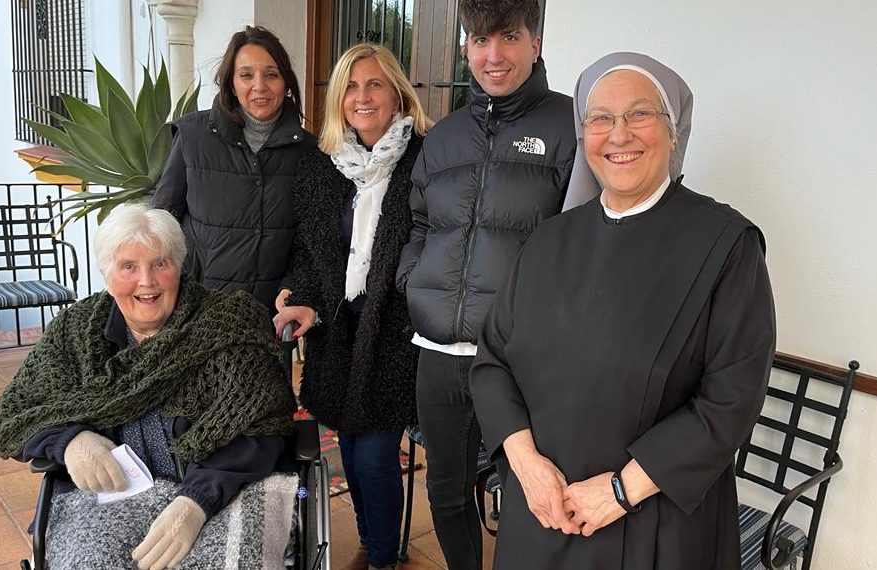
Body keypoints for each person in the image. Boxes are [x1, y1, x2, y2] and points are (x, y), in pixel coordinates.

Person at [468, 52, 777, 569]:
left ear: (673, 130)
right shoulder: (549, 239)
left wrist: (621, 489)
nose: (619, 134)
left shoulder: (726, 245)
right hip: (543, 509)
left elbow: (731, 398)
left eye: (639, 114)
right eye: (601, 118)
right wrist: (525, 464)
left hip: (656, 522)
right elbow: (492, 361)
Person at [0, 204, 294, 570]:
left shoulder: (231, 324)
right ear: (107, 275)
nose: (147, 281)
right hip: (109, 497)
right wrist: (70, 440)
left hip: (222, 492)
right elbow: (18, 411)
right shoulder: (75, 331)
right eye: (129, 266)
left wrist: (195, 501)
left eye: (160, 263)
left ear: (178, 268)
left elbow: (260, 425)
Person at [394, 0, 576, 567]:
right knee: (446, 493)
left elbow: (586, 239)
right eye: (480, 40)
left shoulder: (571, 126)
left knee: (526, 497)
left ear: (535, 43)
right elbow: (420, 222)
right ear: (465, 47)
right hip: (438, 353)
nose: (493, 55)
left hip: (520, 359)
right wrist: (414, 281)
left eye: (508, 37)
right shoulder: (444, 136)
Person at [272, 43, 432, 570]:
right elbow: (311, 255)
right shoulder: (323, 167)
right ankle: (371, 543)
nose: (362, 97)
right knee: (350, 450)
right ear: (339, 99)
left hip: (395, 332)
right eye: (351, 87)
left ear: (397, 94)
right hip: (339, 334)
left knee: (374, 456)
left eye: (375, 84)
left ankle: (383, 558)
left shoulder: (424, 161)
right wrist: (305, 303)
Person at [154, 25, 317, 311]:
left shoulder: (310, 152)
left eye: (271, 74)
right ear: (230, 82)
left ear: (286, 82)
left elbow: (310, 239)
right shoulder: (192, 136)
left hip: (269, 316)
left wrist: (292, 287)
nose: (259, 86)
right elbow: (161, 223)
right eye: (246, 75)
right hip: (198, 311)